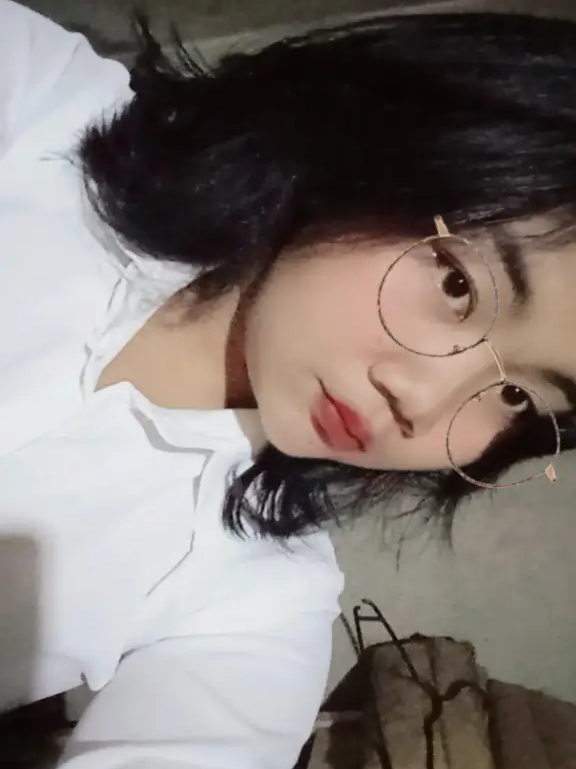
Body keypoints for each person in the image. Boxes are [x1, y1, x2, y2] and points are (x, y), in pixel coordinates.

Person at [1, 0, 576, 767]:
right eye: (459, 285)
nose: (424, 401)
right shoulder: (34, 106)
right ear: (393, 147)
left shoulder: (259, 604)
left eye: (517, 397)